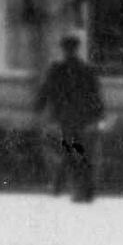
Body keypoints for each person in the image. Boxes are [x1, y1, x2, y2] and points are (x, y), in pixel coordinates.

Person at [31, 33, 106, 203]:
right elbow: (95, 94)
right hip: (83, 119)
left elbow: (46, 90)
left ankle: (62, 185)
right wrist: (99, 115)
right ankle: (82, 189)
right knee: (81, 152)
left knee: (69, 151)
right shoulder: (86, 70)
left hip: (64, 118)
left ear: (64, 49)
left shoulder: (57, 70)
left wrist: (38, 107)